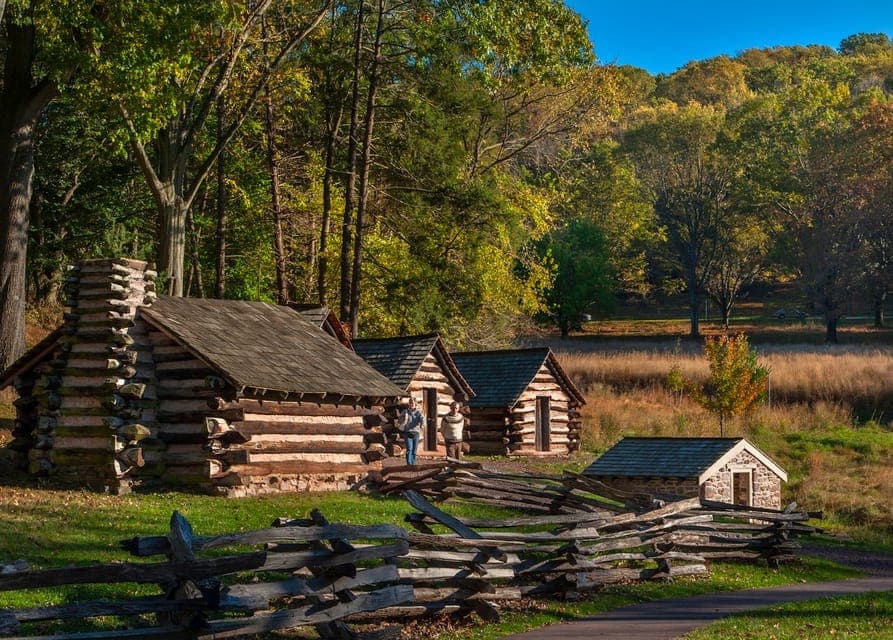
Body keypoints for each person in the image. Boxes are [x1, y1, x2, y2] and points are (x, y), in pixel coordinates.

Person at [397, 397, 424, 465]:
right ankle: (409, 464)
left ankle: (413, 463)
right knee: (409, 449)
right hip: (407, 432)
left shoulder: (418, 412)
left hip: (416, 433)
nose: (411, 404)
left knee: (414, 451)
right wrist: (403, 419)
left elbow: (422, 419)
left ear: (415, 404)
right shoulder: (405, 411)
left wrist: (422, 424)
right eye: (410, 403)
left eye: (412, 403)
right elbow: (399, 420)